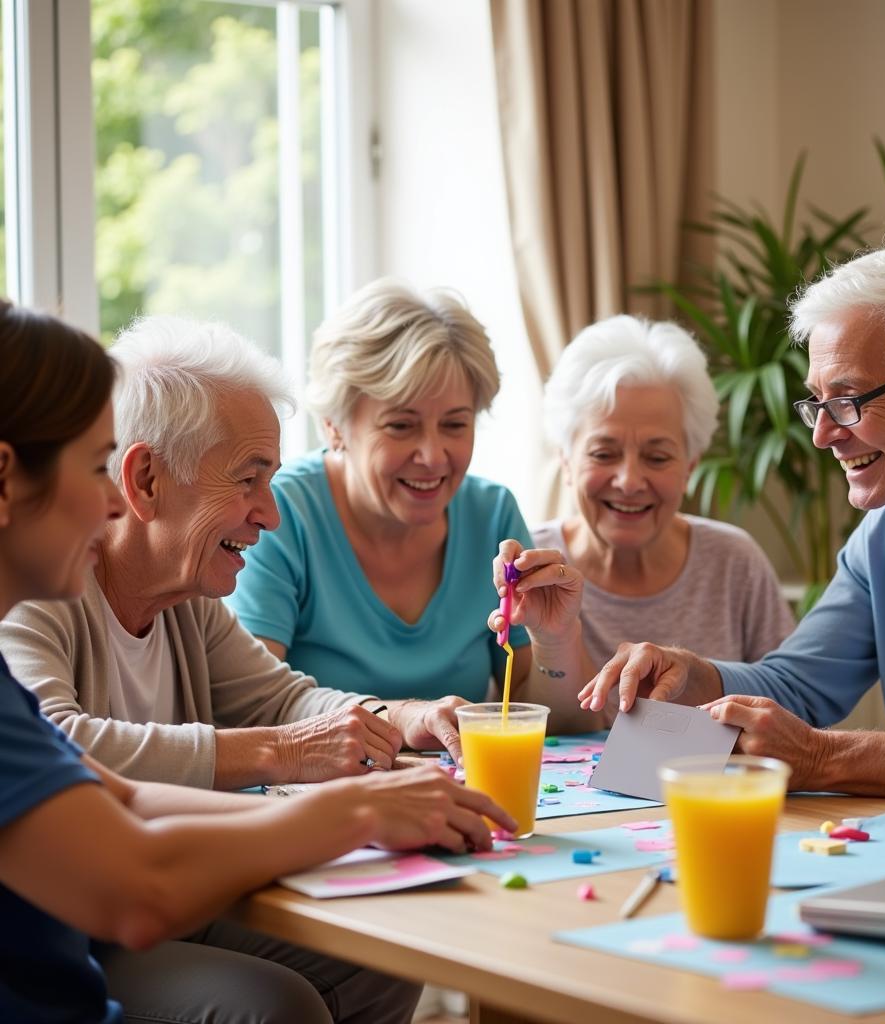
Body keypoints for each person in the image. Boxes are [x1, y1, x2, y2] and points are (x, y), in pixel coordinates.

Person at [0, 300, 516, 1024]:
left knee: (382, 954)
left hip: (103, 921)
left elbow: (120, 788)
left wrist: (393, 728)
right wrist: (329, 792)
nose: (106, 501)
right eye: (95, 467)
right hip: (79, 941)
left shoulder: (184, 596)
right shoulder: (38, 599)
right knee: (278, 1004)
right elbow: (112, 828)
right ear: (145, 480)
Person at [578, 242, 885, 799]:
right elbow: (799, 685)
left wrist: (820, 756)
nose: (823, 434)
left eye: (849, 399)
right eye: (817, 403)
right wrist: (696, 677)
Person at [0, 314, 478, 785]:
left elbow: (282, 700)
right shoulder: (40, 583)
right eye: (247, 480)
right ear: (146, 479)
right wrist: (282, 750)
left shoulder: (186, 600)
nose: (271, 516)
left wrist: (400, 716)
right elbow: (49, 744)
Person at [226, 279, 533, 709]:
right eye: (401, 426)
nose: (432, 456)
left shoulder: (493, 515)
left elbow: (536, 709)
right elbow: (250, 705)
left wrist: (559, 636)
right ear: (334, 424)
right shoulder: (279, 515)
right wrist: (403, 718)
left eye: (455, 424)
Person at [489, 314, 793, 731]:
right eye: (603, 453)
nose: (630, 481)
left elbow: (790, 708)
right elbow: (524, 729)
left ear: (689, 466)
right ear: (565, 461)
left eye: (657, 457)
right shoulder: (528, 573)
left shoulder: (734, 562)